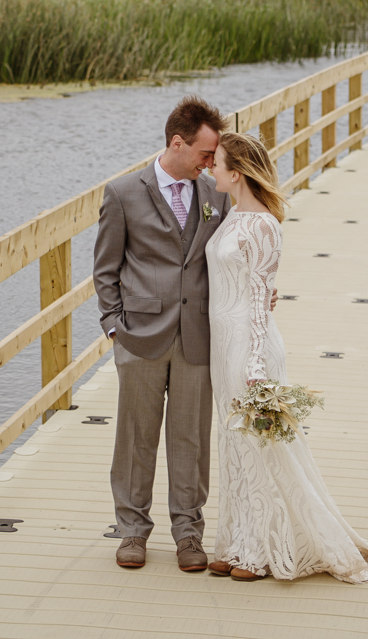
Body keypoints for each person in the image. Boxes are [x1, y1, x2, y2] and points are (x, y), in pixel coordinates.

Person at [204, 130, 368, 583]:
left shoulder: (264, 225)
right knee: (233, 444)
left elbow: (261, 296)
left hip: (250, 345)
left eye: (217, 163)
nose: (211, 168)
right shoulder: (230, 213)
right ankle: (235, 540)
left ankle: (260, 552)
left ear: (237, 172)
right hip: (221, 344)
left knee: (260, 445)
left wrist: (255, 366)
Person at [95, 96, 231, 572]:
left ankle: (188, 533)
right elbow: (105, 268)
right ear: (178, 142)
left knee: (191, 438)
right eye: (206, 154)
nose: (212, 163)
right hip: (140, 336)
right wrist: (114, 326)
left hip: (198, 336)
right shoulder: (123, 193)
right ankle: (131, 531)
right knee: (136, 437)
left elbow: (229, 259)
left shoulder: (217, 195)